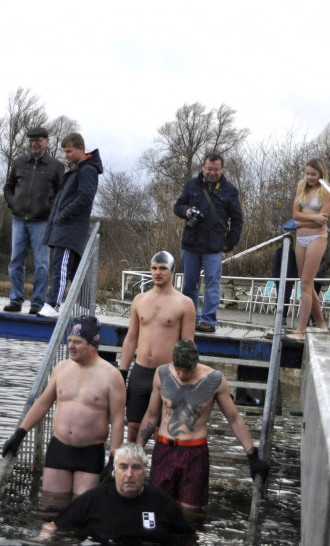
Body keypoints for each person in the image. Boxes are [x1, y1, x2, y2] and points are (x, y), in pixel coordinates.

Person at [2, 316, 125, 501]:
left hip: (90, 453)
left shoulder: (112, 376)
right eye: (69, 341)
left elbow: (117, 420)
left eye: (77, 342)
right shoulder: (61, 369)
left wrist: (113, 458)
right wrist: (20, 433)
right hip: (59, 449)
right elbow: (43, 402)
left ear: (93, 344)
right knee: (50, 507)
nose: (71, 346)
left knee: (81, 511)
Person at [136, 339, 269, 509]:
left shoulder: (215, 379)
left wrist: (252, 455)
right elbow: (151, 416)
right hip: (164, 450)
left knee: (191, 514)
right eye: (178, 369)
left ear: (196, 363)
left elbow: (234, 419)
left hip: (194, 453)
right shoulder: (161, 374)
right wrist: (138, 450)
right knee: (157, 508)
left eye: (188, 370)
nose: (182, 375)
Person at [37, 443, 195, 545]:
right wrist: (41, 540)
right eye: (123, 467)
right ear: (115, 470)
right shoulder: (93, 499)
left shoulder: (162, 502)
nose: (129, 474)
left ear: (144, 471)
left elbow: (187, 537)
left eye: (136, 468)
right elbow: (54, 525)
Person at [119, 251, 196, 442]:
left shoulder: (185, 303)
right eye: (154, 268)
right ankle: (132, 469)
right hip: (140, 371)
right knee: (134, 428)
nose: (157, 272)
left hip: (167, 373)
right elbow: (131, 339)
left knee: (162, 431)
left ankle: (158, 471)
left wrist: (184, 379)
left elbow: (188, 344)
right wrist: (122, 371)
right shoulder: (140, 300)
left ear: (172, 271)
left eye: (163, 268)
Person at [173, 153, 243, 333]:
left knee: (213, 283)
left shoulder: (230, 190)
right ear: (203, 168)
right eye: (209, 169)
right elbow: (177, 207)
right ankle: (190, 318)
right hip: (191, 244)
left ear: (222, 169)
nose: (212, 172)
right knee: (189, 284)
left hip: (214, 246)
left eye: (216, 169)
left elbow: (237, 220)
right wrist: (187, 211)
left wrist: (230, 242)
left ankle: (208, 320)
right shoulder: (191, 185)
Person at [37, 133, 102, 318]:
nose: (66, 155)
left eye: (69, 151)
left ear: (80, 149)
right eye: (64, 151)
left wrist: (64, 214)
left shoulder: (87, 170)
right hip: (64, 229)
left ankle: (53, 305)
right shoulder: (77, 170)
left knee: (61, 267)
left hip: (70, 230)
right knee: (74, 271)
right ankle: (86, 307)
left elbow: (85, 198)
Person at [2, 127, 64, 315]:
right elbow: (8, 186)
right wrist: (13, 204)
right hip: (19, 219)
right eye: (31, 140)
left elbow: (61, 194)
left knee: (42, 264)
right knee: (15, 261)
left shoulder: (55, 166)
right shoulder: (19, 163)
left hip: (42, 221)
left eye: (38, 140)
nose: (34, 143)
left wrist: (49, 210)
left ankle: (37, 302)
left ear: (47, 141)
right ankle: (16, 300)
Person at [285, 158, 330, 342]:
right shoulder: (301, 186)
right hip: (301, 237)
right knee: (305, 282)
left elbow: (324, 219)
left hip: (317, 238)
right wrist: (312, 218)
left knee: (306, 283)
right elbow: (295, 216)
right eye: (307, 174)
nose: (309, 177)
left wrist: (305, 219)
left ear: (321, 174)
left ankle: (301, 330)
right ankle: (321, 323)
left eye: (313, 174)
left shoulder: (327, 190)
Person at [272, 240, 298, 325]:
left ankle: (284, 317)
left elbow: (295, 266)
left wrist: (294, 278)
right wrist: (277, 278)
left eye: (290, 241)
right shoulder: (279, 251)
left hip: (289, 279)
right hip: (279, 279)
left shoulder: (292, 253)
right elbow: (275, 265)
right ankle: (278, 315)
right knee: (280, 296)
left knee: (287, 297)